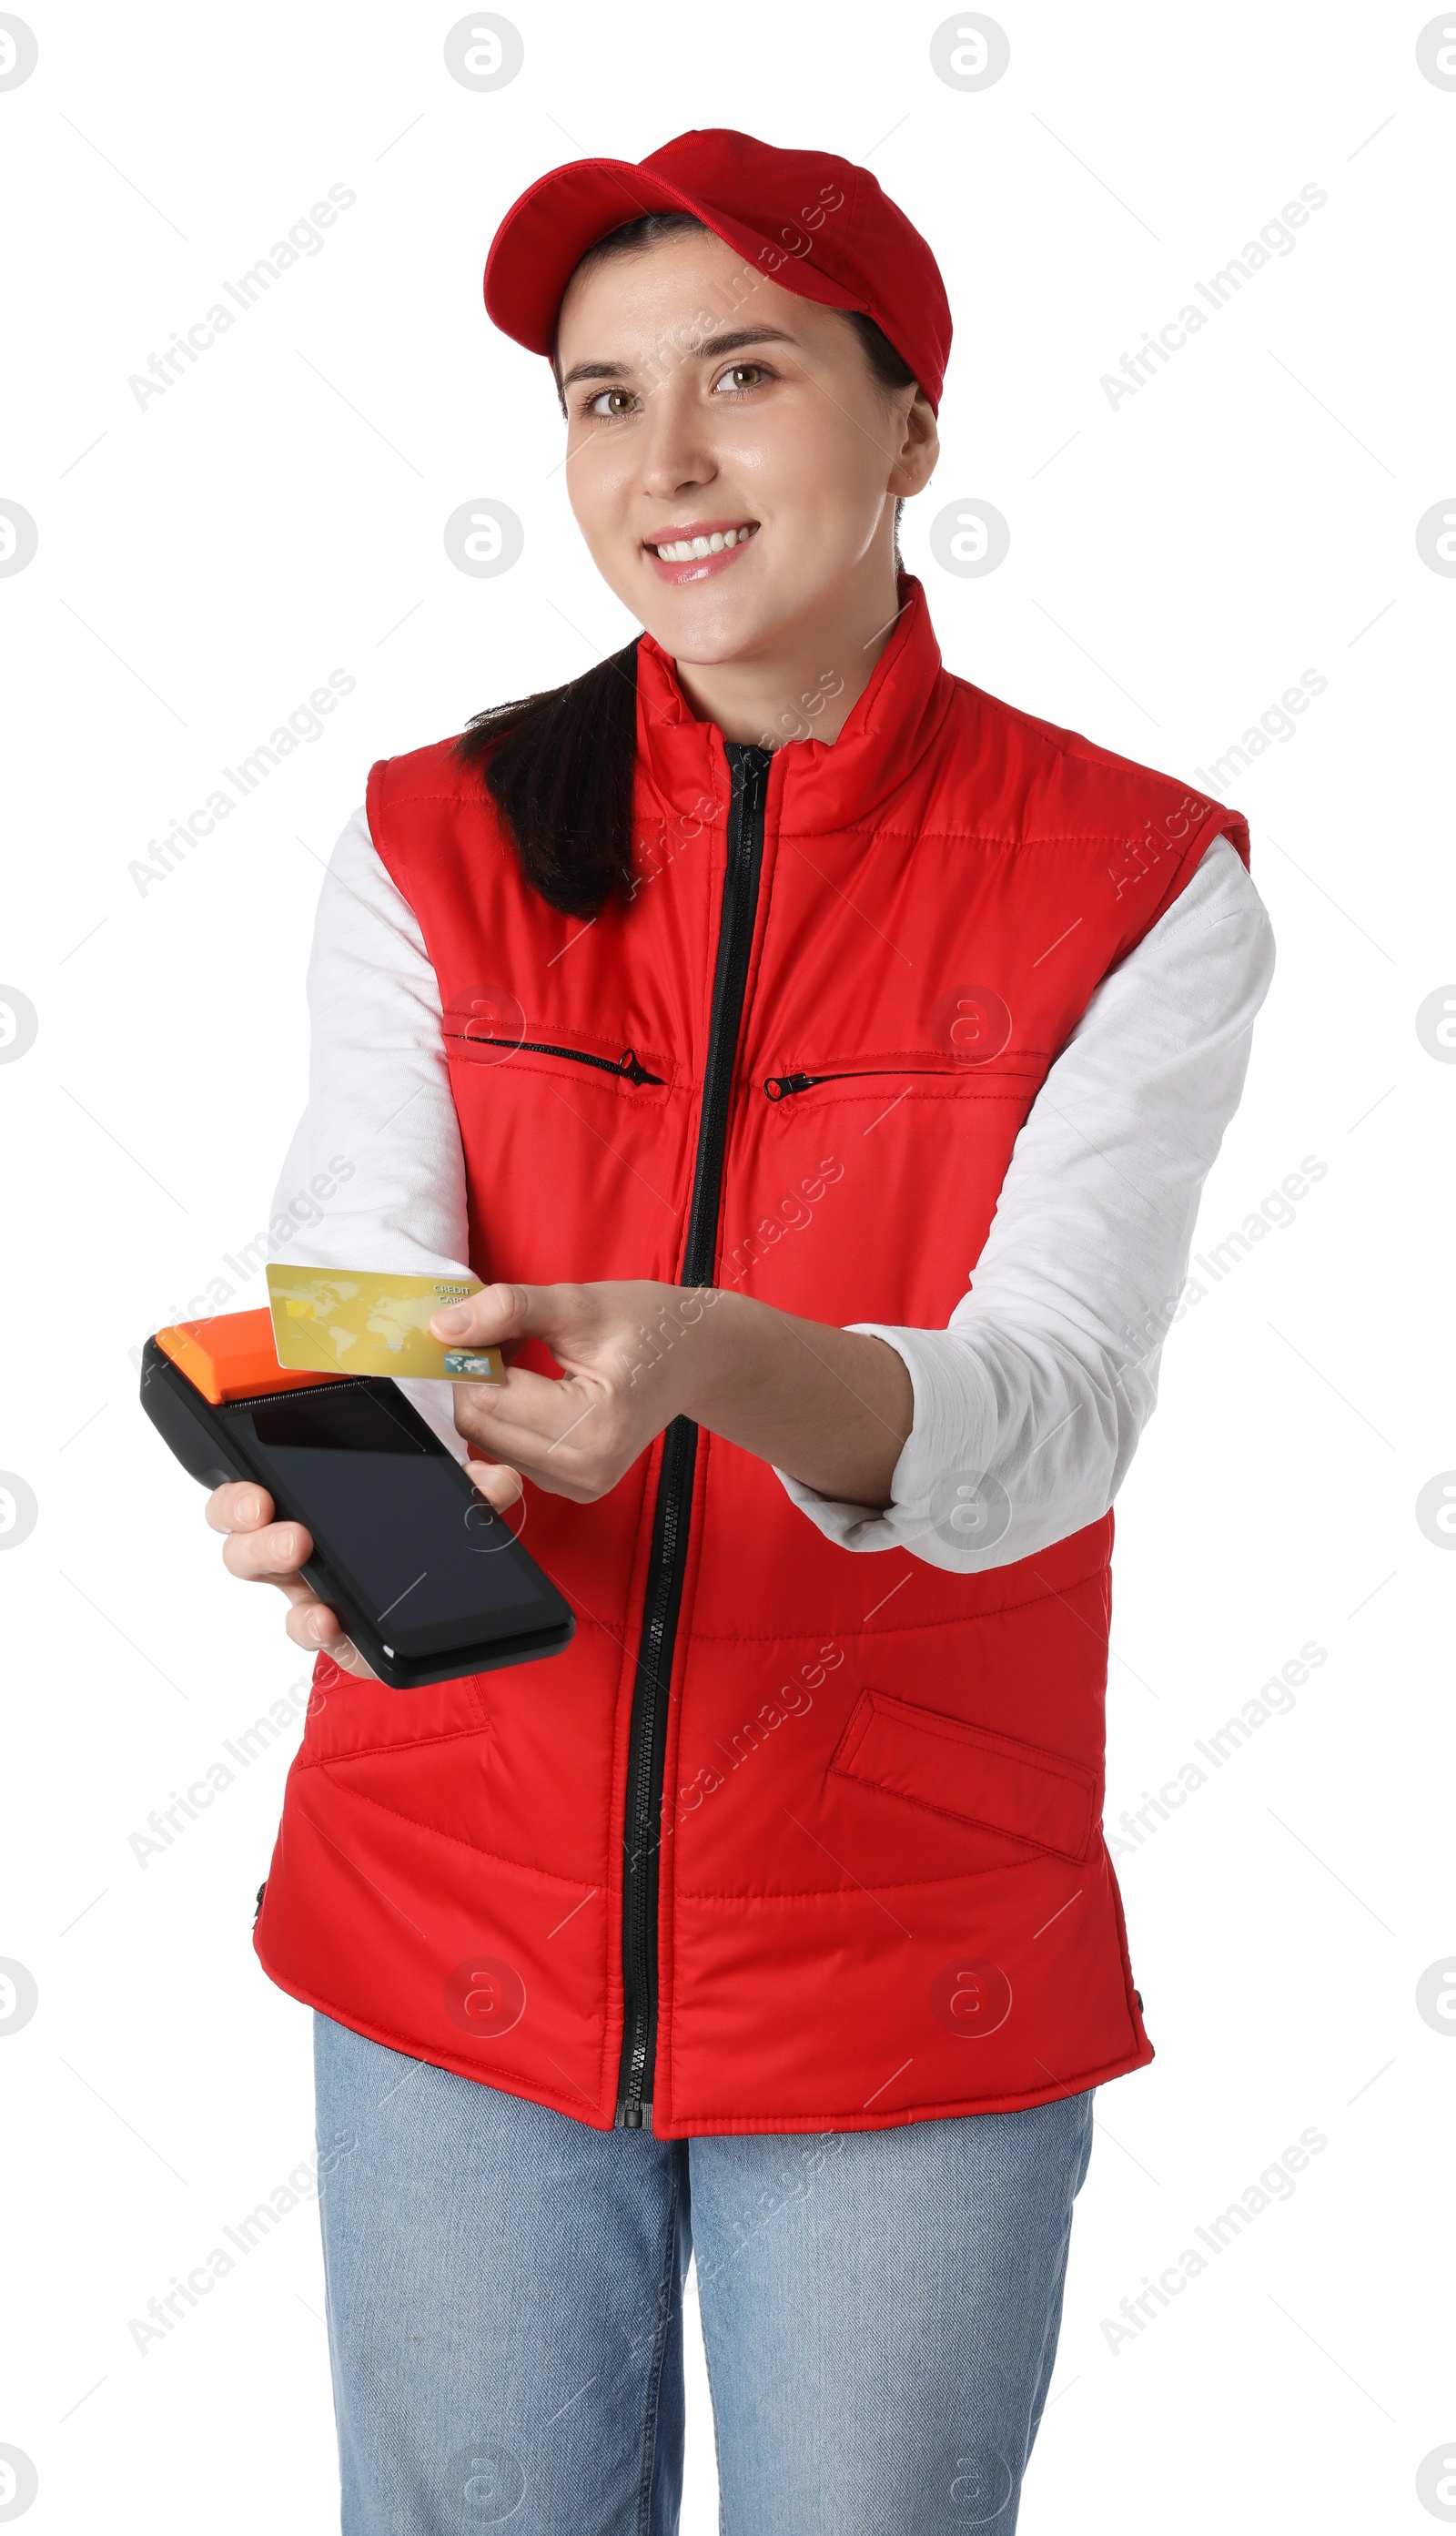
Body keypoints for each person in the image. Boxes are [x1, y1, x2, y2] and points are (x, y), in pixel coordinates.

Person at [205, 130, 1274, 2535]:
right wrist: (366, 1507)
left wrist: (707, 1352)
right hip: (453, 1914)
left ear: (910, 422)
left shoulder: (1139, 884)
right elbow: (361, 1285)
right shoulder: (432, 838)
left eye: (745, 377)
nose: (663, 465)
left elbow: (1051, 1417)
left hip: (911, 1964)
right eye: (599, 400)